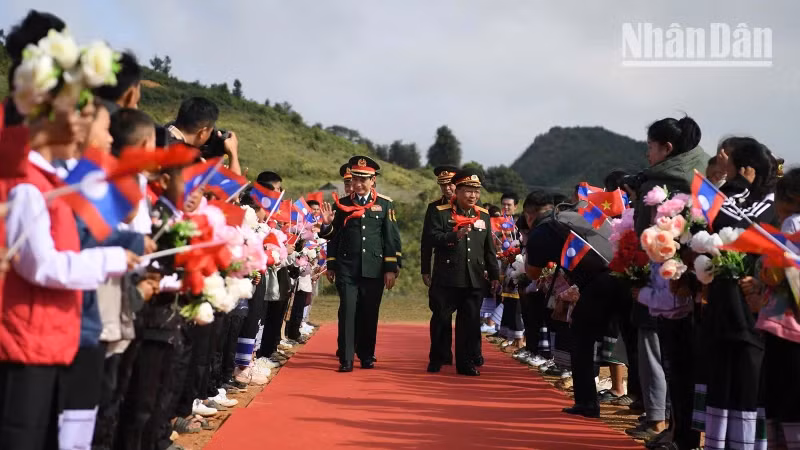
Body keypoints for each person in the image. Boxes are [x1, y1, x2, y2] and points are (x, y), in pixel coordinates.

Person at [319, 155, 402, 372]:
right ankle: (346, 358)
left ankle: (366, 355)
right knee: (347, 311)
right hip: (347, 268)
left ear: (373, 180)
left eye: (364, 179)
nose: (358, 183)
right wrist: (326, 227)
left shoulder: (385, 204)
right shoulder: (342, 203)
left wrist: (391, 268)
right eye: (355, 178)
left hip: (374, 269)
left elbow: (390, 239)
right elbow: (333, 236)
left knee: (369, 312)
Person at [423, 168, 500, 376]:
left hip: (474, 278)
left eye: (476, 191)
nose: (473, 195)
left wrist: (494, 275)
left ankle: (465, 363)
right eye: (468, 190)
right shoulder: (440, 212)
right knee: (441, 318)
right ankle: (437, 358)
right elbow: (430, 238)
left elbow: (489, 249)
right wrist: (454, 236)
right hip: (447, 276)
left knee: (469, 322)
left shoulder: (483, 214)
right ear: (457, 190)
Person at [421, 165, 458, 367]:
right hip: (443, 268)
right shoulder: (434, 208)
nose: (447, 189)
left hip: (466, 269)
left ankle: (472, 354)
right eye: (443, 185)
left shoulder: (470, 206)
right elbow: (427, 240)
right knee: (440, 313)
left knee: (468, 316)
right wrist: (425, 268)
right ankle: (441, 353)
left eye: (450, 184)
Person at [161, 96, 242, 175]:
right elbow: (234, 184)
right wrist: (233, 153)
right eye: (209, 133)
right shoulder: (190, 160)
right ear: (202, 133)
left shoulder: (154, 136)